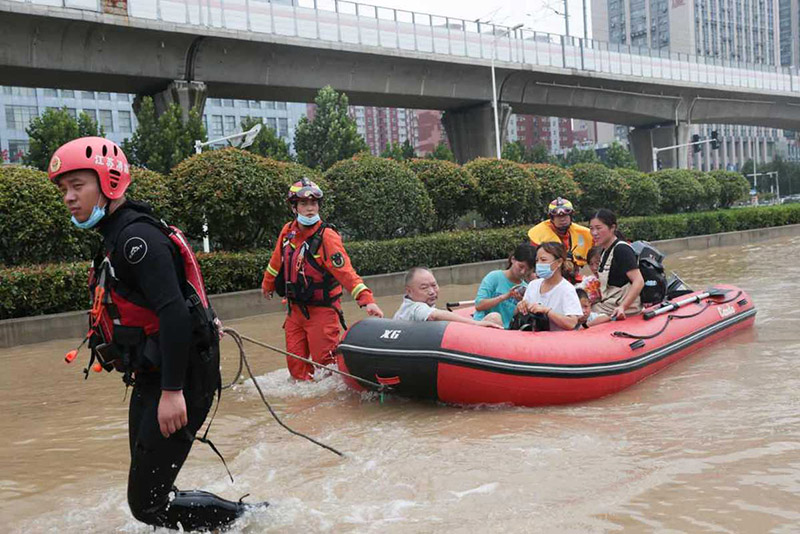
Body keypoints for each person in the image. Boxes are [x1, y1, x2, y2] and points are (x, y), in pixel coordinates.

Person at [48, 137, 261, 531]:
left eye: (78, 185)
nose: (69, 198)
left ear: (109, 182)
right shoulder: (115, 236)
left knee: (145, 503)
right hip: (153, 374)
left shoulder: (136, 240)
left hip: (181, 377)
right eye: (64, 189)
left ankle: (256, 520)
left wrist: (172, 392)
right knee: (147, 487)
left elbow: (174, 314)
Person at [261, 178, 384, 380]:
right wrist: (267, 284)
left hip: (322, 311)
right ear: (294, 207)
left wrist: (366, 300)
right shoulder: (287, 232)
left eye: (314, 204)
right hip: (295, 311)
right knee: (296, 367)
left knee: (327, 367)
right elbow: (276, 261)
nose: (310, 208)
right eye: (304, 204)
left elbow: (346, 272)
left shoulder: (327, 236)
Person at [394, 267, 502, 328]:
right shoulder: (414, 308)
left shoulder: (408, 306)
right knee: (494, 318)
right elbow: (434, 315)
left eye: (434, 285)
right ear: (409, 291)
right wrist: (476, 323)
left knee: (494, 317)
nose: (432, 291)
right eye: (424, 288)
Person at [588, 209, 644, 320]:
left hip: (621, 307)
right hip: (608, 303)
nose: (594, 233)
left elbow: (639, 281)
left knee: (580, 318)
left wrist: (623, 307)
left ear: (612, 228)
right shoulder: (604, 251)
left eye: (599, 228)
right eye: (591, 228)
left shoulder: (622, 249)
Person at [516, 242, 583, 331]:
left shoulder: (567, 289)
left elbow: (571, 323)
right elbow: (520, 313)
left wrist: (547, 311)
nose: (539, 264)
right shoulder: (533, 285)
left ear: (559, 262)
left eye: (543, 260)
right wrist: (521, 306)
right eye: (537, 260)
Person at [527, 197, 593, 280]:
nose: (562, 219)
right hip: (548, 279)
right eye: (558, 216)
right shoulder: (539, 235)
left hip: (573, 278)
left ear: (571, 216)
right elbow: (532, 265)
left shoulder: (584, 233)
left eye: (565, 215)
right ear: (552, 218)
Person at [472, 243, 536, 329]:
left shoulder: (526, 289)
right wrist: (506, 296)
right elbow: (479, 305)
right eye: (521, 266)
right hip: (484, 326)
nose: (523, 272)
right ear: (513, 259)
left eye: (528, 270)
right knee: (495, 317)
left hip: (507, 332)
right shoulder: (494, 277)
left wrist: (522, 303)